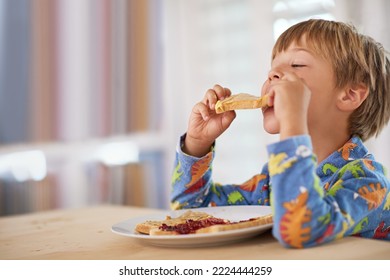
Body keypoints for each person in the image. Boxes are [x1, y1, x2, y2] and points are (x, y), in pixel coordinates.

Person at [170, 19, 390, 248]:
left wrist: (293, 121)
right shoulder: (271, 183)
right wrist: (197, 144)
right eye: (271, 69)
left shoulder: (368, 184)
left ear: (349, 95)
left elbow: (300, 231)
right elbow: (190, 212)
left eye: (297, 65)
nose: (273, 74)